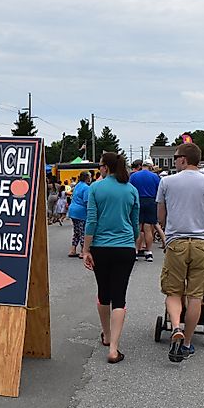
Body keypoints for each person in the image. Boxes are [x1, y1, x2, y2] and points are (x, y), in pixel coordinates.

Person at [157, 142, 204, 363]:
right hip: (201, 243)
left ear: (184, 159)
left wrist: (169, 228)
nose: (175, 160)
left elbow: (161, 216)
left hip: (176, 242)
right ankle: (187, 342)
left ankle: (175, 326)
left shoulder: (166, 182)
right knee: (196, 295)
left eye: (176, 157)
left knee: (173, 291)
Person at [83, 152, 139, 364]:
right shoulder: (131, 190)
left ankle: (106, 334)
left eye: (100, 166)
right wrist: (131, 241)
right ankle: (114, 348)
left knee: (103, 292)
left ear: (106, 167)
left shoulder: (95, 188)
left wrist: (86, 249)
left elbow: (91, 221)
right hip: (124, 247)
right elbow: (135, 225)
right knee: (120, 295)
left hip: (100, 247)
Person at [129, 158, 161, 262]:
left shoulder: (134, 176)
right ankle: (148, 252)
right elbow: (159, 191)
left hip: (138, 201)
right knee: (148, 228)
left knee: (138, 227)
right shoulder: (155, 177)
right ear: (151, 166)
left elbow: (130, 190)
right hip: (151, 201)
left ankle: (136, 251)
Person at [67, 171, 90, 257]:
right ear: (87, 178)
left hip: (72, 210)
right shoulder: (86, 188)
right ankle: (83, 251)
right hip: (81, 211)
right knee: (83, 231)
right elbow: (86, 201)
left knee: (76, 231)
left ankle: (73, 249)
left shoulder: (77, 185)